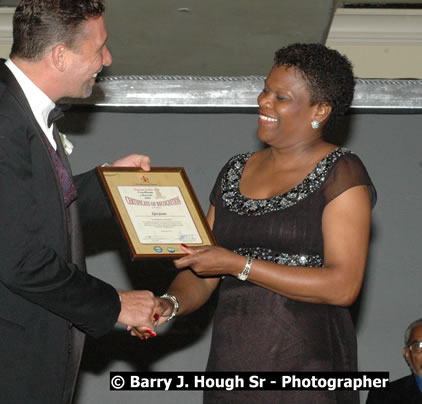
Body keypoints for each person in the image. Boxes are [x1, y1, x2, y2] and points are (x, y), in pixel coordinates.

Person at [0, 0, 158, 404]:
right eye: (98, 49)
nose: (107, 60)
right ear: (59, 55)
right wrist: (116, 304)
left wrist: (107, 184)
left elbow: (27, 211)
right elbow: (23, 260)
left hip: (4, 372)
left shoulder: (13, 111)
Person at [152, 43, 376, 403]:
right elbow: (203, 268)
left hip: (308, 367)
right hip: (233, 362)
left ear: (320, 109)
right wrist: (170, 303)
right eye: (265, 89)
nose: (264, 102)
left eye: (281, 97)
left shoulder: (342, 172)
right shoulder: (234, 170)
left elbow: (343, 286)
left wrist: (237, 264)